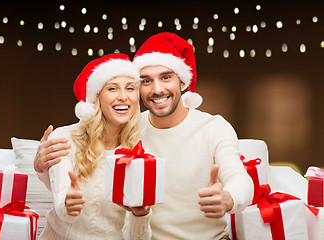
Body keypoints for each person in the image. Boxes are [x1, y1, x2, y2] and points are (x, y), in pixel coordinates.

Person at [35, 32, 253, 240]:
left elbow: (238, 177)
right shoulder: (128, 127)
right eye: (146, 81)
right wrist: (42, 166)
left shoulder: (213, 127)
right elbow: (84, 162)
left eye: (166, 77)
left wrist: (229, 198)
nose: (157, 89)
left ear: (182, 82)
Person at [37, 53, 152, 240]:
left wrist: (141, 215)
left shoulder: (141, 152)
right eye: (112, 88)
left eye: (130, 88)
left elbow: (137, 238)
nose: (123, 96)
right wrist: (67, 205)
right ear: (97, 97)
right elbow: (61, 200)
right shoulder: (64, 137)